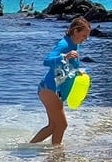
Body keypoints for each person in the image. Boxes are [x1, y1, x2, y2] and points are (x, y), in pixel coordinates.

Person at [30, 17, 91, 145]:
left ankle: (29, 148)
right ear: (75, 31)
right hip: (49, 89)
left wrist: (78, 72)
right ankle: (56, 154)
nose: (86, 39)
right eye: (84, 35)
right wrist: (64, 56)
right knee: (62, 125)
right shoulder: (64, 44)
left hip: (55, 91)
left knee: (53, 126)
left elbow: (66, 69)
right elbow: (47, 61)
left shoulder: (74, 45)